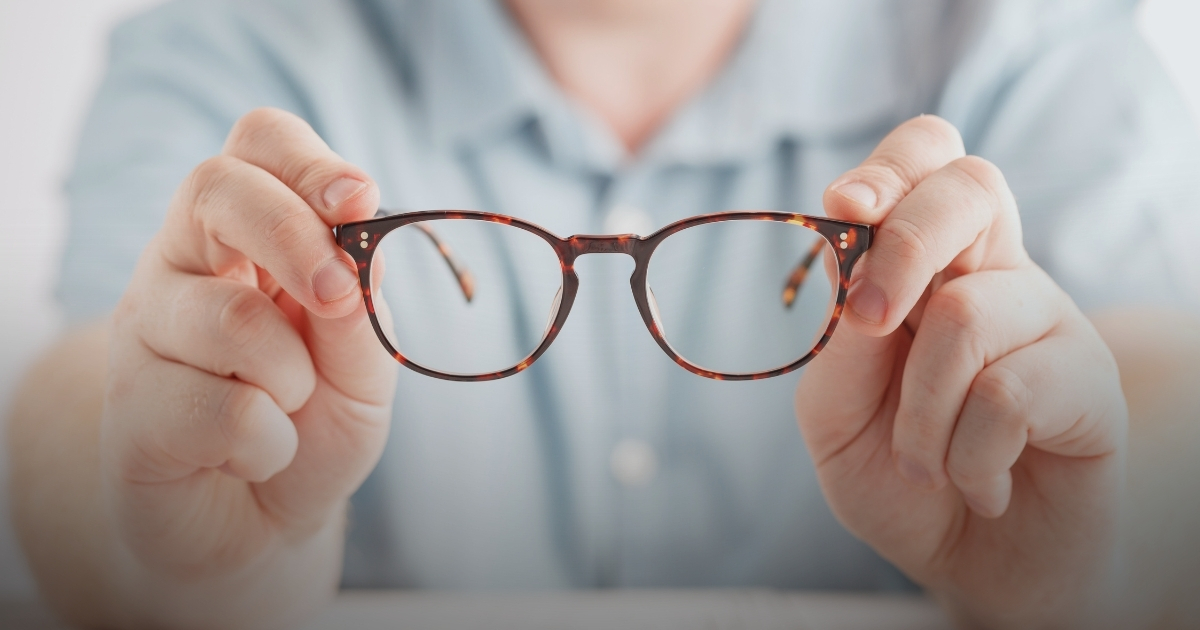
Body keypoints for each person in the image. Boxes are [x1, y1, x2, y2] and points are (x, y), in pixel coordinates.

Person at [8, 0, 1200, 627]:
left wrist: (1089, 571)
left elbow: (1160, 402)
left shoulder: (1033, 39)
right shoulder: (222, 52)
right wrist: (174, 562)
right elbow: (90, 385)